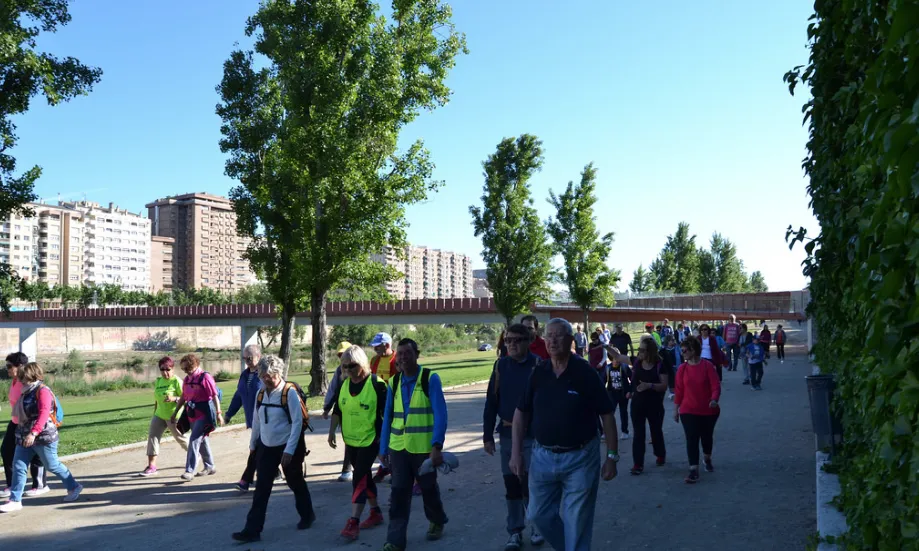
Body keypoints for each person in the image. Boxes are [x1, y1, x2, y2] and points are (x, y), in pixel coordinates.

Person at [511, 318, 619, 551]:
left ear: (571, 340)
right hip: (543, 457)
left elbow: (607, 415)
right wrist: (516, 453)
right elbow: (521, 413)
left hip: (581, 458)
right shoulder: (539, 372)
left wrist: (612, 456)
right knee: (538, 514)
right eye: (549, 335)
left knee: (577, 522)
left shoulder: (584, 373)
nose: (552, 340)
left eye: (558, 335)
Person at [232, 355, 316, 542]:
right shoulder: (261, 393)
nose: (266, 380)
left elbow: (297, 423)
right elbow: (257, 420)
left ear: (278, 373)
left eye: (269, 376)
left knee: (295, 483)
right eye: (263, 376)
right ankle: (252, 530)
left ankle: (307, 515)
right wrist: (253, 444)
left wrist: (289, 451)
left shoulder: (289, 393)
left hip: (288, 446)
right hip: (266, 447)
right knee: (261, 489)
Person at [378, 338, 449, 551]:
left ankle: (437, 520)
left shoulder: (430, 379)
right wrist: (383, 448)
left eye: (407, 353)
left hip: (423, 448)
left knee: (428, 489)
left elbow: (441, 414)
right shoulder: (394, 382)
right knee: (399, 494)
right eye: (399, 353)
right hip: (398, 447)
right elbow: (388, 417)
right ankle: (395, 540)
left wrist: (436, 446)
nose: (403, 358)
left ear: (417, 355)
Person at [482, 323, 544, 551]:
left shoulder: (538, 365)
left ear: (529, 341)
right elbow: (491, 402)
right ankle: (515, 531)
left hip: (533, 436)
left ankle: (538, 525)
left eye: (517, 340)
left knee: (531, 483)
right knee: (511, 485)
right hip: (507, 434)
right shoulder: (500, 366)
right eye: (508, 340)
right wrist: (487, 435)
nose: (512, 344)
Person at [0, 362, 83, 512]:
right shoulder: (25, 390)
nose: (20, 379)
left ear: (31, 375)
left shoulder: (42, 391)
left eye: (23, 376)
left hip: (43, 436)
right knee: (19, 466)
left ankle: (74, 486)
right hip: (24, 436)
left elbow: (44, 413)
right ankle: (15, 500)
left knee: (52, 465)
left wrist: (34, 433)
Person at [328, 345, 388, 541]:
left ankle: (353, 522)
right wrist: (331, 432)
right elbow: (338, 409)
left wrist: (385, 441)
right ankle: (376, 512)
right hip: (351, 440)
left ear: (362, 364)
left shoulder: (377, 385)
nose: (348, 370)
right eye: (344, 367)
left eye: (352, 366)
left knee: (359, 478)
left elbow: (389, 415)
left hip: (372, 440)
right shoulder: (345, 384)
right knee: (365, 478)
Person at [674, 336, 721, 484]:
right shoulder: (682, 369)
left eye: (685, 350)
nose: (683, 353)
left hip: (708, 410)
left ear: (693, 350)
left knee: (706, 438)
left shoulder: (707, 366)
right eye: (681, 351)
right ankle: (693, 469)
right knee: (692, 438)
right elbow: (679, 391)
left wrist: (714, 399)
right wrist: (676, 409)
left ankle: (707, 458)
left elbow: (715, 386)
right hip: (688, 410)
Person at [1, 353, 47, 499]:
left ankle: (40, 485)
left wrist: (34, 430)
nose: (7, 369)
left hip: (29, 422)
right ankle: (12, 485)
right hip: (15, 422)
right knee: (7, 452)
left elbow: (43, 405)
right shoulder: (15, 381)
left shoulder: (27, 382)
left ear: (20, 366)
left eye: (9, 366)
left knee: (35, 454)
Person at [171, 354, 223, 481]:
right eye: (184, 369)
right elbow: (184, 396)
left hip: (204, 413)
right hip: (192, 413)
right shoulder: (187, 380)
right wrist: (175, 412)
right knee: (202, 439)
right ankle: (210, 466)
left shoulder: (205, 377)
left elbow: (214, 396)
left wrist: (218, 413)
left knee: (194, 439)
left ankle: (190, 471)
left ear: (195, 365)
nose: (186, 372)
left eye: (188, 368)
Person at [139, 356, 189, 476]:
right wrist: (154, 413)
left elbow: (186, 398)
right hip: (159, 415)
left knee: (180, 438)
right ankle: (152, 466)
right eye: (162, 369)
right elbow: (157, 400)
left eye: (168, 369)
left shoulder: (177, 381)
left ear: (173, 369)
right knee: (153, 438)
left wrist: (174, 398)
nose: (165, 372)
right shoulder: (158, 381)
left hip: (174, 415)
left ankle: (195, 454)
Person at [628, 338, 669, 475]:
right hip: (637, 405)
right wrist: (606, 347)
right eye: (639, 349)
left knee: (656, 431)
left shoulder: (660, 365)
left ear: (650, 351)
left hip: (654, 405)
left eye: (642, 350)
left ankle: (660, 454)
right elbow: (619, 357)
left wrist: (649, 385)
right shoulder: (637, 362)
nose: (639, 352)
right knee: (638, 435)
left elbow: (664, 386)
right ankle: (638, 464)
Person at [322, 341, 356, 483]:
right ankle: (347, 469)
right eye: (340, 355)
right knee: (348, 438)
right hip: (344, 409)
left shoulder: (363, 371)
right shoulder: (339, 371)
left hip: (361, 411)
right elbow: (333, 390)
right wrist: (327, 407)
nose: (343, 357)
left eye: (345, 354)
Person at [605, 350, 632, 442]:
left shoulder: (624, 367)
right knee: (609, 413)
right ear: (611, 359)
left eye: (618, 358)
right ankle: (607, 432)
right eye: (614, 358)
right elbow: (602, 381)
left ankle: (625, 431)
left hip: (623, 394)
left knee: (623, 412)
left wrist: (630, 391)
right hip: (612, 394)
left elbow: (633, 379)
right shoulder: (607, 368)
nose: (616, 360)